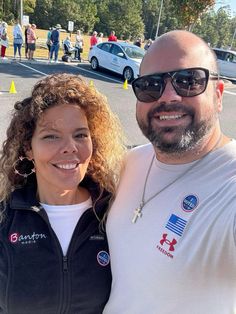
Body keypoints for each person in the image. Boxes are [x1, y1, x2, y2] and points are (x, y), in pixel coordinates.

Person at [104, 30, 236, 314]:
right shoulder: (128, 163)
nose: (168, 96)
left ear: (218, 94)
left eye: (188, 81)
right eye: (151, 85)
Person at [0, 73, 125, 314]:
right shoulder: (5, 219)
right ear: (28, 148)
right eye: (51, 136)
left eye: (80, 135)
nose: (70, 147)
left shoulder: (113, 213)